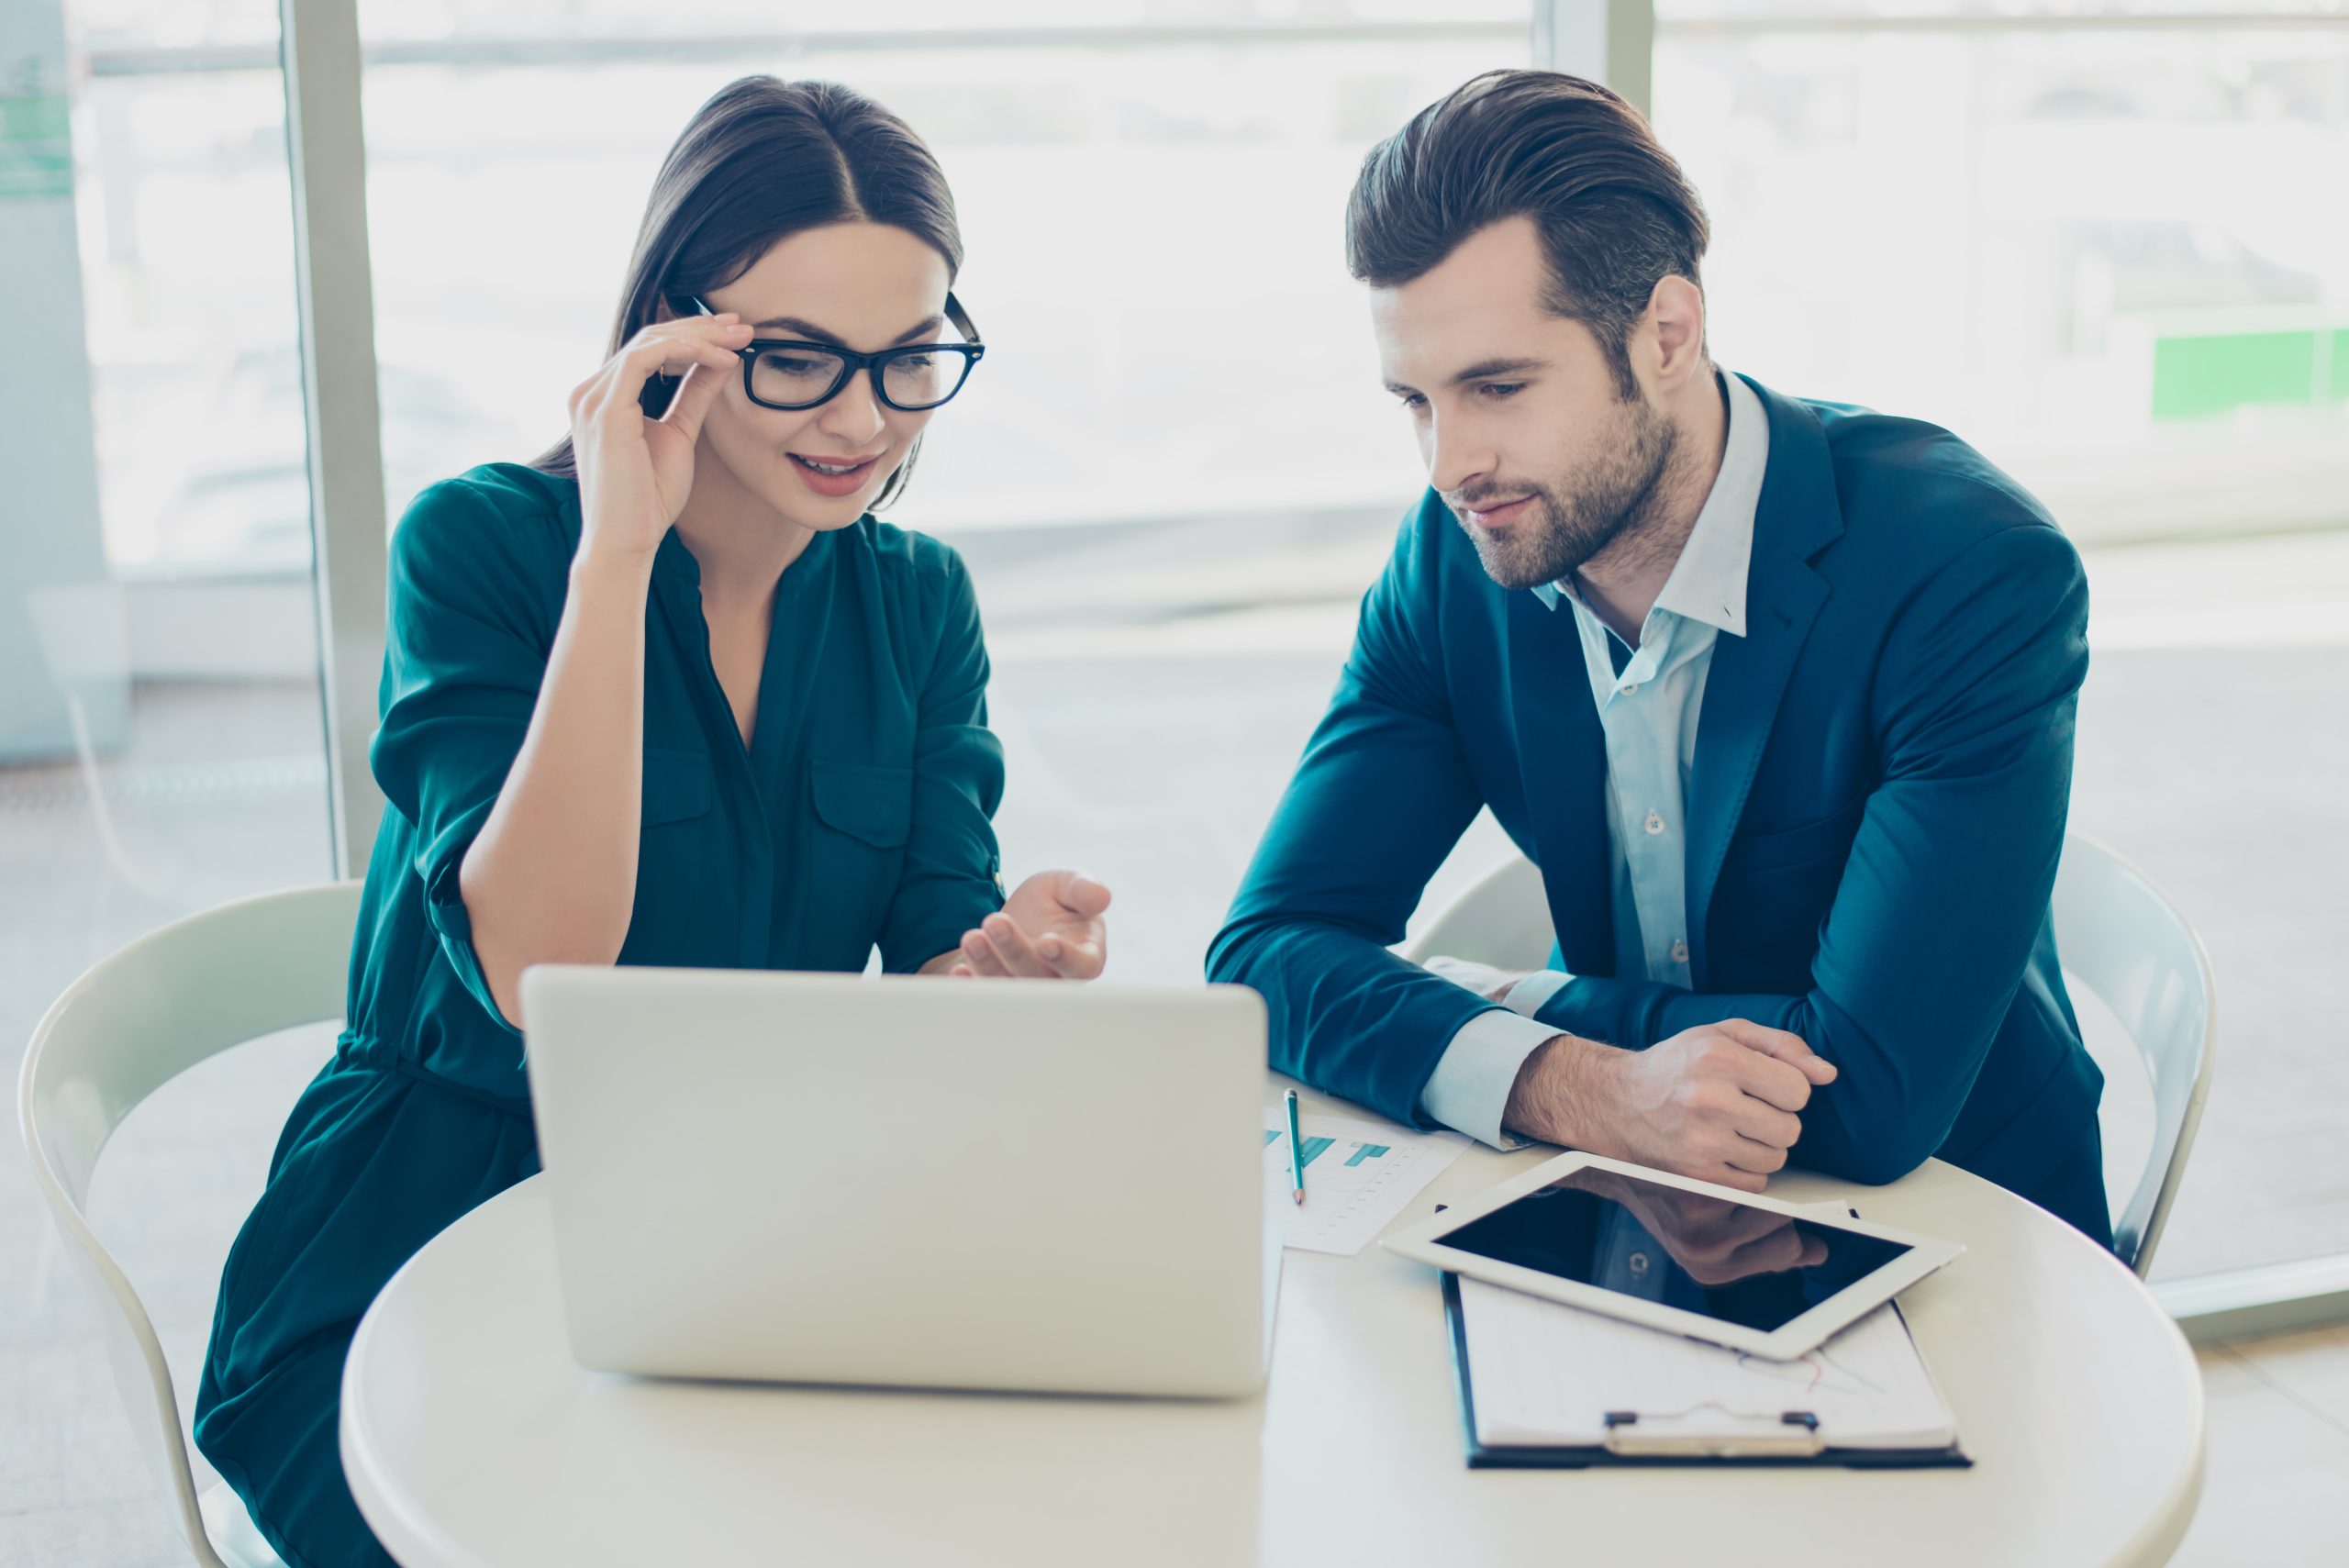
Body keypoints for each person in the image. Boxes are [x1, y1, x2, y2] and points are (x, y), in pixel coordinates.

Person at [195, 77, 1110, 1568]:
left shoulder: (915, 601)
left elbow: (933, 959)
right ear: (672, 334)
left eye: (910, 357)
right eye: (800, 358)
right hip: (418, 1262)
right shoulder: (484, 547)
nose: (864, 417)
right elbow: (536, 967)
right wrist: (617, 548)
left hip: (744, 1241)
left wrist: (996, 974)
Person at [1208, 69, 2110, 1247]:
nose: (1449, 462)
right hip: (1617, 1196)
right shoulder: (1459, 553)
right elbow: (1264, 957)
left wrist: (1492, 1003)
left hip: (1962, 1227)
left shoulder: (1966, 573)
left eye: (1498, 386)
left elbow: (1874, 1096)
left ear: (1667, 334)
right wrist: (1579, 1083)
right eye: (1416, 401)